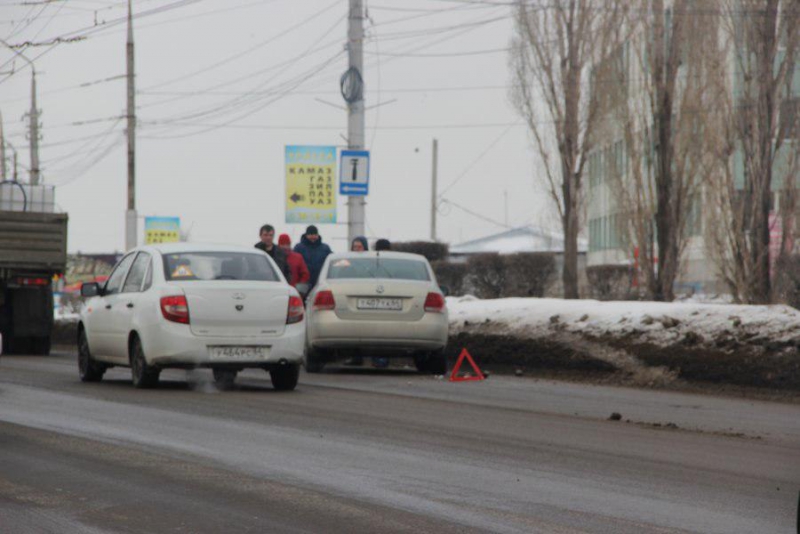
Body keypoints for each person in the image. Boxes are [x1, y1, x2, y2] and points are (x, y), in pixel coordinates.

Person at [293, 225, 332, 289]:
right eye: (311, 234)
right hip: (303, 282)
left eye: (315, 234)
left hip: (320, 282)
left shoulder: (325, 248)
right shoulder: (298, 248)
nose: (313, 236)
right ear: (306, 235)